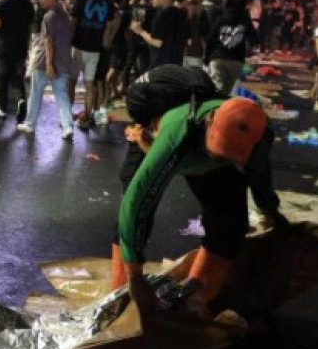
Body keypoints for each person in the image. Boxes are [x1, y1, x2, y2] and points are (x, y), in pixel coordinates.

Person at [112, 96, 287, 313]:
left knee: (231, 225)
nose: (216, 156)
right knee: (137, 220)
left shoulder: (257, 134)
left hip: (202, 154)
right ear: (211, 120)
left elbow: (260, 175)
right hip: (153, 138)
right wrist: (135, 276)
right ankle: (120, 297)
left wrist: (270, 209)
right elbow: (136, 201)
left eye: (224, 153)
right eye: (218, 148)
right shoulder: (176, 135)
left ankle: (193, 298)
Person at [16, 0, 76, 141]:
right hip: (63, 62)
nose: (41, 0)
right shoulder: (65, 15)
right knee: (61, 95)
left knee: (35, 94)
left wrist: (49, 64)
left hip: (44, 62)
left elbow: (48, 41)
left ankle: (30, 124)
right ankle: (68, 126)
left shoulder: (49, 16)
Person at [69, 0, 114, 130]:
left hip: (79, 47)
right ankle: (87, 116)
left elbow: (73, 23)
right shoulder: (108, 1)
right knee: (90, 85)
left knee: (72, 81)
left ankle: (67, 115)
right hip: (96, 49)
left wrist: (69, 41)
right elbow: (109, 26)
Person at [0, 0, 34, 121]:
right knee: (18, 76)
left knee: (2, 76)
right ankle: (21, 99)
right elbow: (30, 27)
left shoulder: (2, 3)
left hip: (3, 45)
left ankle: (2, 109)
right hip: (20, 45)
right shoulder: (28, 5)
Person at [204, 0, 255, 96]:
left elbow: (212, 39)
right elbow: (254, 37)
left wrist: (206, 57)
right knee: (228, 91)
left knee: (217, 90)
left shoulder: (221, 19)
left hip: (218, 58)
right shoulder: (245, 20)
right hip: (236, 60)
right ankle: (226, 109)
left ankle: (217, 110)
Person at [132, 0, 188, 69]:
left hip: (160, 65)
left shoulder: (162, 15)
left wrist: (140, 31)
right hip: (177, 64)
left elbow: (157, 42)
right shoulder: (182, 14)